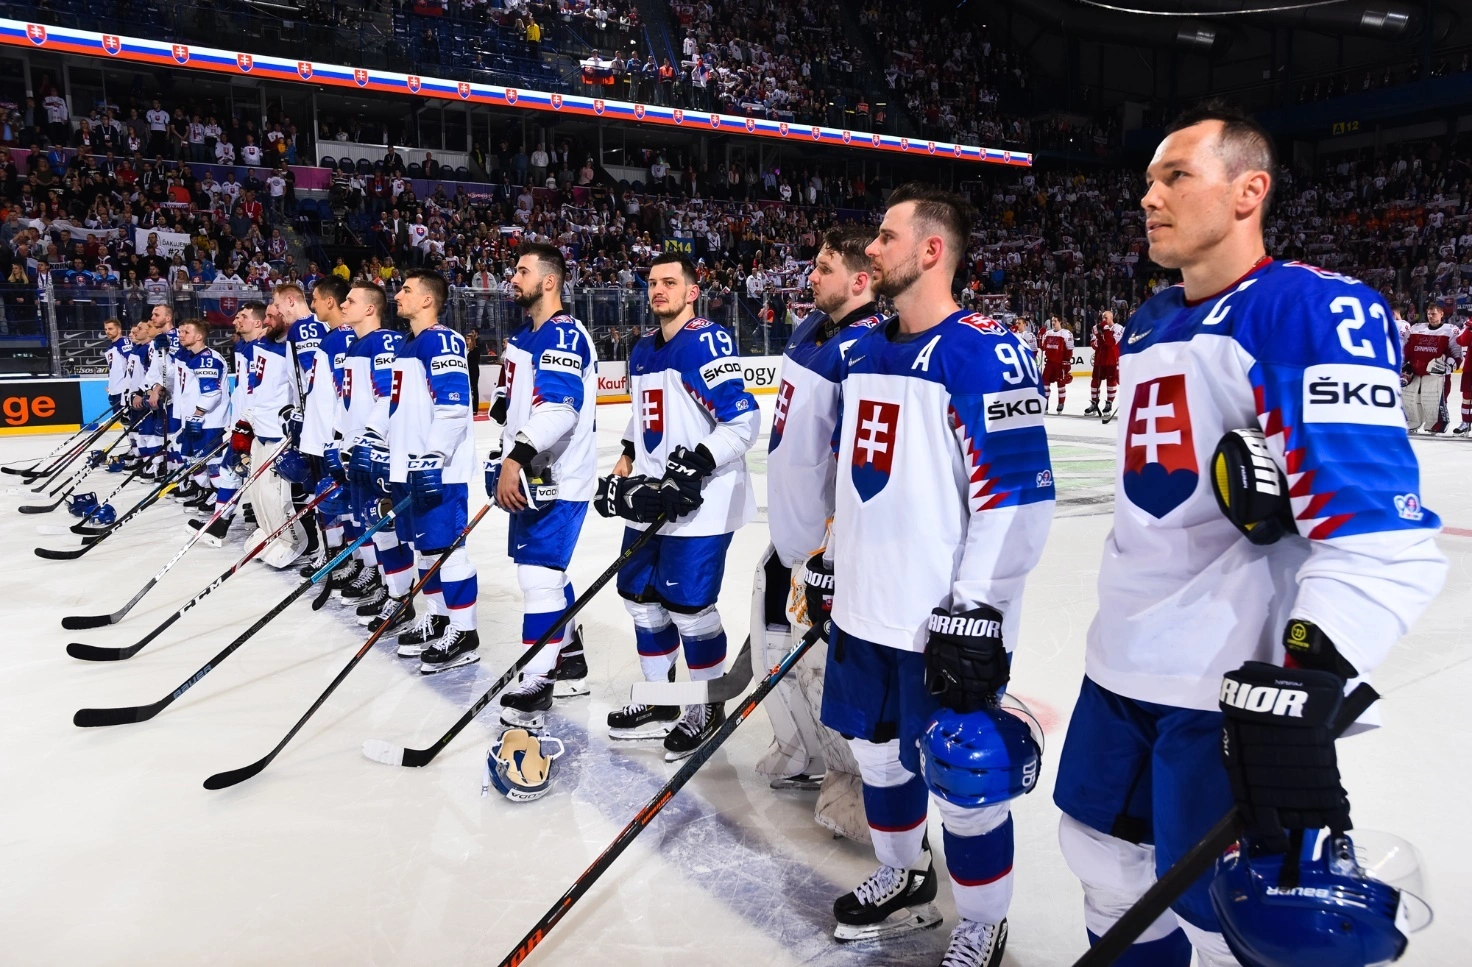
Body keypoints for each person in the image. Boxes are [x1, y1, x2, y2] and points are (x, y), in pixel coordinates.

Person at [1052, 103, 1447, 967]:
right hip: (1117, 664)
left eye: (1175, 176)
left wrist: (1305, 672)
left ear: (1248, 192)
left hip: (1223, 684)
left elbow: (1382, 534)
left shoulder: (1311, 310)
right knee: (1106, 868)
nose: (1148, 196)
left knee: (1227, 915)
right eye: (1148, 179)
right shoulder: (1153, 319)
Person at [806, 185, 1054, 965]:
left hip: (941, 622)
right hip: (865, 610)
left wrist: (977, 607)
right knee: (877, 755)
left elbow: (1016, 495)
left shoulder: (983, 350)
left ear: (932, 250)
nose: (870, 251)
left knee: (962, 777)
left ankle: (984, 918)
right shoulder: (864, 349)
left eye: (884, 237)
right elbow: (863, 479)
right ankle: (904, 876)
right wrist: (829, 564)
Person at [594, 252, 759, 761]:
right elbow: (644, 420)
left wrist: (698, 463)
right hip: (652, 498)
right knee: (639, 595)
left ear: (692, 291)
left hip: (703, 503)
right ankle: (663, 700)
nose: (658, 290)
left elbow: (743, 420)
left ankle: (704, 704)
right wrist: (625, 460)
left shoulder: (706, 341)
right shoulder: (644, 350)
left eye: (670, 282)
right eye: (652, 282)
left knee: (688, 607)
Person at [754, 226, 881, 842]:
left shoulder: (866, 350)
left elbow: (858, 468)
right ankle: (801, 751)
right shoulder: (810, 330)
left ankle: (854, 792)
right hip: (787, 536)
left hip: (823, 552)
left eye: (825, 268)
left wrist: (833, 549)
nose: (812, 276)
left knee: (829, 675)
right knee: (776, 654)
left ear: (861, 281)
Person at [490, 243, 599, 728]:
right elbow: (510, 401)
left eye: (522, 270)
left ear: (549, 281)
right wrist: (505, 436)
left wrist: (515, 457)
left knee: (537, 578)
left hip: (558, 477)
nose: (512, 277)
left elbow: (560, 409)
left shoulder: (563, 334)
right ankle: (569, 651)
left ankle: (539, 678)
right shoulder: (525, 335)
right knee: (549, 573)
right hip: (537, 472)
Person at [381, 269, 480, 673]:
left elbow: (454, 406)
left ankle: (465, 631)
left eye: (406, 290)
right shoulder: (409, 344)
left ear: (427, 300)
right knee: (425, 549)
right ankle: (439, 616)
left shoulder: (442, 340)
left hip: (439, 471)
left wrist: (432, 457)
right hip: (411, 468)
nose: (398, 295)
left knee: (448, 550)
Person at [335, 282, 413, 634]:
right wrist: (341, 438)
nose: (343, 304)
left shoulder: (383, 341)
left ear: (370, 308)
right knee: (371, 522)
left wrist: (368, 439)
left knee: (387, 525)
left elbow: (388, 398)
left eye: (350, 300)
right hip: (358, 450)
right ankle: (388, 586)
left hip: (377, 452)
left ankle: (401, 598)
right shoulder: (356, 343)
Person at [296, 278, 360, 593]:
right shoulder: (332, 338)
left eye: (316, 299)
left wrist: (335, 438)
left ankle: (348, 557)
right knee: (333, 502)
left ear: (330, 302)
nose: (312, 305)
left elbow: (343, 394)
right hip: (324, 437)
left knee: (342, 502)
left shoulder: (341, 340)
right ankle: (338, 554)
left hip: (332, 441)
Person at [232, 302, 304, 567]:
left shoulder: (291, 351)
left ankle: (293, 539)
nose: (269, 321)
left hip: (278, 431)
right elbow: (255, 389)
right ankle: (269, 531)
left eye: (273, 316)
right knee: (258, 491)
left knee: (276, 493)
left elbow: (299, 390)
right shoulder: (260, 347)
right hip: (261, 429)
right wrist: (246, 420)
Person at [174, 319, 235, 541]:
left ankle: (222, 508)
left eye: (186, 332)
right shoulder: (191, 357)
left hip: (209, 423)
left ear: (199, 336)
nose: (181, 335)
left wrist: (197, 415)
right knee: (193, 462)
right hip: (194, 420)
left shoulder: (208, 359)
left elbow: (212, 393)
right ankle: (212, 496)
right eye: (180, 331)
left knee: (214, 466)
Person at [1402, 303, 1461, 433]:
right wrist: (1403, 363)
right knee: (1410, 398)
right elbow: (1407, 347)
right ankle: (1413, 421)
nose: (1430, 316)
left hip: (1435, 373)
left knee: (1433, 399)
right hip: (1415, 371)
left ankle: (1436, 423)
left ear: (1441, 314)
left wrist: (1449, 366)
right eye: (1429, 314)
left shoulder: (1450, 330)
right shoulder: (1416, 328)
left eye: (1433, 314)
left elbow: (1456, 352)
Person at [1085, 310, 1123, 418]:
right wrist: (1100, 337)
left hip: (1112, 359)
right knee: (1095, 382)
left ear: (1112, 318)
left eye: (1106, 318)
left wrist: (1104, 332)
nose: (1104, 320)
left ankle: (1109, 403)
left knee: (1111, 382)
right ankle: (1094, 403)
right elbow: (1094, 344)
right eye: (1103, 318)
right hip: (1099, 359)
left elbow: (1110, 343)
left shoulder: (1118, 328)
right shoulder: (1096, 328)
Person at [1040, 315, 1074, 414]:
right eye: (1052, 321)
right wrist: (1040, 336)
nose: (1053, 323)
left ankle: (1061, 403)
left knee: (1061, 384)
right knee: (1045, 383)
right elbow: (1043, 347)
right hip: (1049, 363)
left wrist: (1066, 361)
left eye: (1055, 320)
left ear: (1060, 322)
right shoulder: (1047, 333)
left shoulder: (1066, 333)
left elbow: (1069, 349)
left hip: (1060, 363)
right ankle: (1045, 402)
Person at [102, 318, 131, 415]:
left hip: (123, 389)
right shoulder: (110, 348)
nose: (107, 332)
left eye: (110, 329)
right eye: (106, 329)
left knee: (128, 420)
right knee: (120, 420)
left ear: (119, 330)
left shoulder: (124, 343)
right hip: (114, 389)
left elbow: (131, 363)